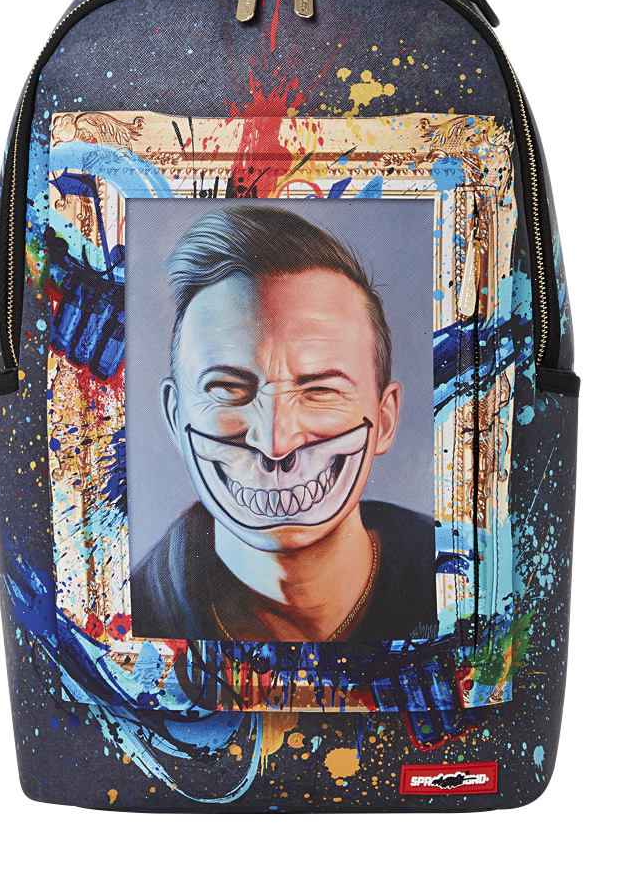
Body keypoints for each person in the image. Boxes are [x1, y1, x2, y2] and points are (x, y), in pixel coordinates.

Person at [130, 205, 436, 643]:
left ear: (384, 420)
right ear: (177, 417)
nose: (276, 442)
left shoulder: (461, 580)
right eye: (228, 389)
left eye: (320, 390)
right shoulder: (118, 632)